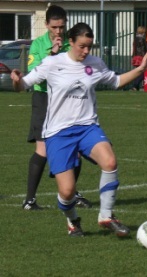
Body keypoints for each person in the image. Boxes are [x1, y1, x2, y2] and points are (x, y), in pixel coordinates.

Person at [11, 22, 147, 237]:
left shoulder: (95, 63)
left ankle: (106, 216)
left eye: (89, 46)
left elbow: (116, 81)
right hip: (58, 133)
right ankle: (72, 221)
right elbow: (24, 85)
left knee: (110, 162)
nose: (86, 51)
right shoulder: (52, 63)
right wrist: (16, 80)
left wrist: (141, 69)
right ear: (70, 42)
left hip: (87, 126)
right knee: (67, 192)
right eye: (82, 46)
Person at [22, 5, 92, 210]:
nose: (58, 31)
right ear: (46, 25)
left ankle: (71, 193)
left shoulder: (72, 43)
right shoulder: (38, 45)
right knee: (42, 148)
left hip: (67, 99)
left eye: (62, 26)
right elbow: (34, 73)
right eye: (54, 27)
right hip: (43, 98)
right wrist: (53, 53)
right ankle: (29, 200)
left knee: (76, 149)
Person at [131, 26, 147, 91]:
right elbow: (145, 49)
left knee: (138, 71)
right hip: (142, 57)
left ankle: (136, 86)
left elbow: (134, 48)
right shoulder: (143, 39)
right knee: (144, 72)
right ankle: (135, 85)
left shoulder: (135, 39)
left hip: (136, 57)